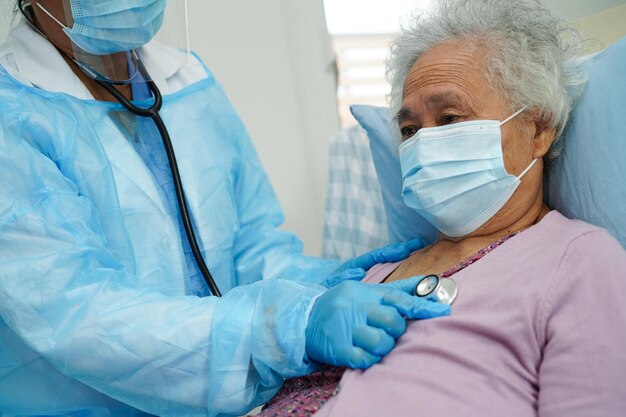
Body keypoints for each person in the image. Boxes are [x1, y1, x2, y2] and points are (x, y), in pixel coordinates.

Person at [0, 1, 450, 416]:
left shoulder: (188, 81)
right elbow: (81, 315)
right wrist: (287, 327)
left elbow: (251, 245)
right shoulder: (12, 115)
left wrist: (329, 283)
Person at [256, 0, 626, 416]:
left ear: (537, 130)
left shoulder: (580, 263)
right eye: (409, 130)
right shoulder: (378, 271)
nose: (423, 145)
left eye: (449, 118)